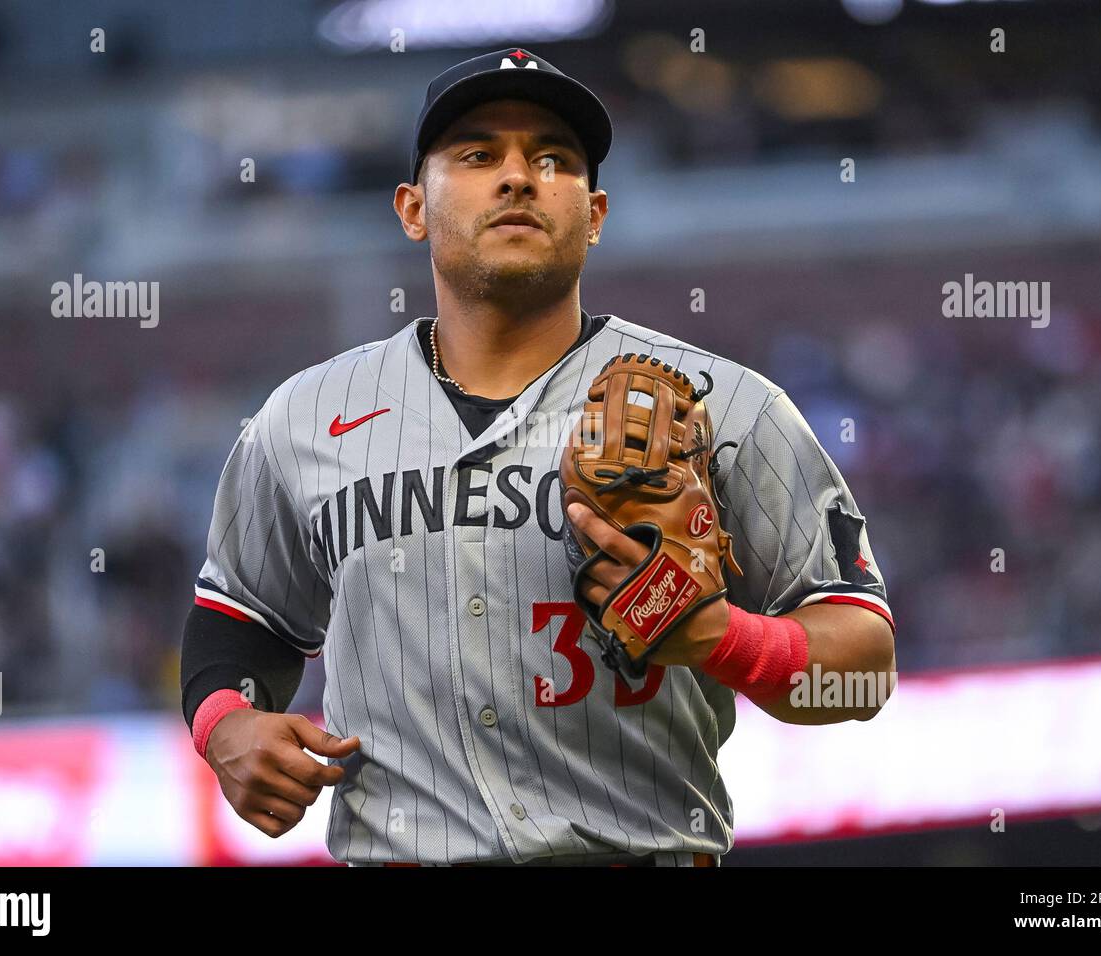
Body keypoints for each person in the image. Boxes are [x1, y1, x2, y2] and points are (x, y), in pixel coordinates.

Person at [180, 48, 896, 867]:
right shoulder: (305, 417)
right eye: (479, 155)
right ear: (413, 208)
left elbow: (863, 668)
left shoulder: (724, 403)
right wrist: (226, 723)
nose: (519, 177)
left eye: (552, 158)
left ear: (594, 213)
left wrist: (720, 638)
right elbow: (238, 617)